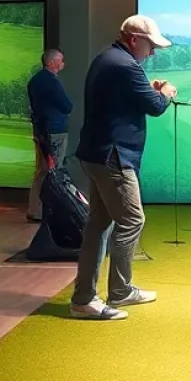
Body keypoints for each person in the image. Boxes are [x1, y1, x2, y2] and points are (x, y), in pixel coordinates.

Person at [70, 16, 176, 321]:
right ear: (133, 39)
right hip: (113, 156)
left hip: (98, 153)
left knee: (99, 224)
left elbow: (136, 99)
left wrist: (153, 93)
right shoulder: (125, 65)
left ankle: (86, 298)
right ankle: (117, 290)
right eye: (150, 45)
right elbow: (155, 106)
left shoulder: (109, 59)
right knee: (132, 220)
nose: (152, 52)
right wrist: (165, 94)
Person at [26, 48, 73, 222]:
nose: (63, 63)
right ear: (52, 62)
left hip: (40, 130)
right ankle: (49, 210)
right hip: (55, 131)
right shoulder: (53, 83)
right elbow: (67, 106)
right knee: (53, 170)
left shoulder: (34, 81)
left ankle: (35, 209)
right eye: (60, 60)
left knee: (41, 170)